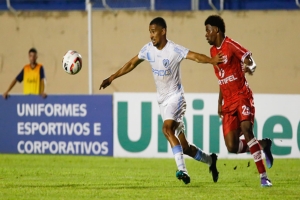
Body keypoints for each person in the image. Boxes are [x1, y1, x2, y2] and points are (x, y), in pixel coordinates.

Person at [100, 17, 223, 184]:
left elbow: (194, 56)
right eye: (149, 32)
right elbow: (131, 63)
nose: (151, 36)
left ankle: (182, 170)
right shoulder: (148, 49)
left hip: (176, 97)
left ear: (163, 31)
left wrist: (211, 60)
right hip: (162, 102)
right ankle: (210, 160)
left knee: (166, 130)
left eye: (153, 31)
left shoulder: (174, 50)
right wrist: (112, 77)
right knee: (184, 147)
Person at [204, 15, 274, 187]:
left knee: (246, 129)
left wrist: (250, 68)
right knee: (231, 147)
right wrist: (220, 102)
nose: (206, 34)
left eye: (208, 30)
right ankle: (263, 144)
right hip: (228, 102)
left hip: (242, 95)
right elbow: (222, 78)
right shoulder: (213, 52)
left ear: (216, 30)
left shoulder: (231, 45)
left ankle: (264, 177)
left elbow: (250, 60)